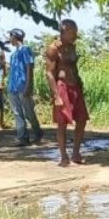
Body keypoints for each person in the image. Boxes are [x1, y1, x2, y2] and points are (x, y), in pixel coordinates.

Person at [45, 19, 89, 166]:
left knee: (82, 119)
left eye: (76, 32)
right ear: (64, 31)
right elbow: (49, 73)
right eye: (72, 32)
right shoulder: (53, 49)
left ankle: (76, 153)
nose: (75, 35)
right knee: (62, 123)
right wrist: (56, 95)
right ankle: (63, 156)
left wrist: (79, 82)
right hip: (62, 87)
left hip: (75, 86)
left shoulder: (72, 47)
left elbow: (73, 67)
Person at [5, 29, 43, 147]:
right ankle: (23, 138)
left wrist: (28, 85)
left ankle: (38, 132)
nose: (9, 39)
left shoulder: (25, 50)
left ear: (15, 37)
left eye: (10, 36)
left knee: (28, 113)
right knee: (17, 113)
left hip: (23, 86)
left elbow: (29, 67)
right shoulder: (13, 54)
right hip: (13, 87)